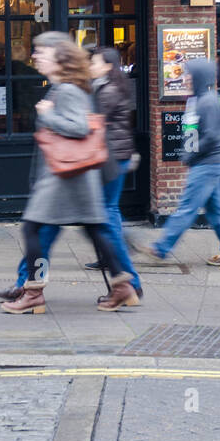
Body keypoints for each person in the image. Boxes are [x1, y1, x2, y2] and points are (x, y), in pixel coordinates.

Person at [0, 32, 139, 314]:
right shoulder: (66, 87)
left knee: (33, 229)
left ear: (59, 57)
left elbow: (79, 127)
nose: (36, 56)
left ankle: (34, 292)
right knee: (96, 230)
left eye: (41, 52)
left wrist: (48, 114)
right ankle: (123, 287)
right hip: (72, 176)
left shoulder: (67, 90)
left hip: (64, 177)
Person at [141, 59, 220, 268]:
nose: (186, 77)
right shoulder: (197, 100)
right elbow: (193, 132)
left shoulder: (208, 101)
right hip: (209, 162)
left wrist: (191, 154)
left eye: (189, 74)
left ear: (199, 77)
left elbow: (213, 136)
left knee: (187, 208)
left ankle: (161, 249)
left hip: (207, 163)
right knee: (217, 210)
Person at [82, 46, 144, 301]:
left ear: (107, 65)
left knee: (104, 219)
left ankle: (129, 280)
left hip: (109, 160)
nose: (90, 65)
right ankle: (124, 274)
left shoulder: (106, 90)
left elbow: (90, 123)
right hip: (116, 158)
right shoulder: (111, 86)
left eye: (94, 61)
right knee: (109, 214)